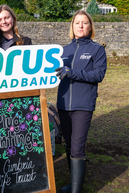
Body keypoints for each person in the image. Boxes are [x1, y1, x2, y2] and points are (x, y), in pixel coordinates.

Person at [55, 10, 107, 193]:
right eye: (77, 23)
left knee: (77, 147)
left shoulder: (97, 50)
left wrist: (73, 72)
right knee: (69, 145)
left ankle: (76, 191)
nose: (81, 26)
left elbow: (98, 75)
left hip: (83, 106)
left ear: (90, 26)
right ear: (72, 26)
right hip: (63, 105)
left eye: (85, 23)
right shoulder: (63, 50)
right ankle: (73, 184)